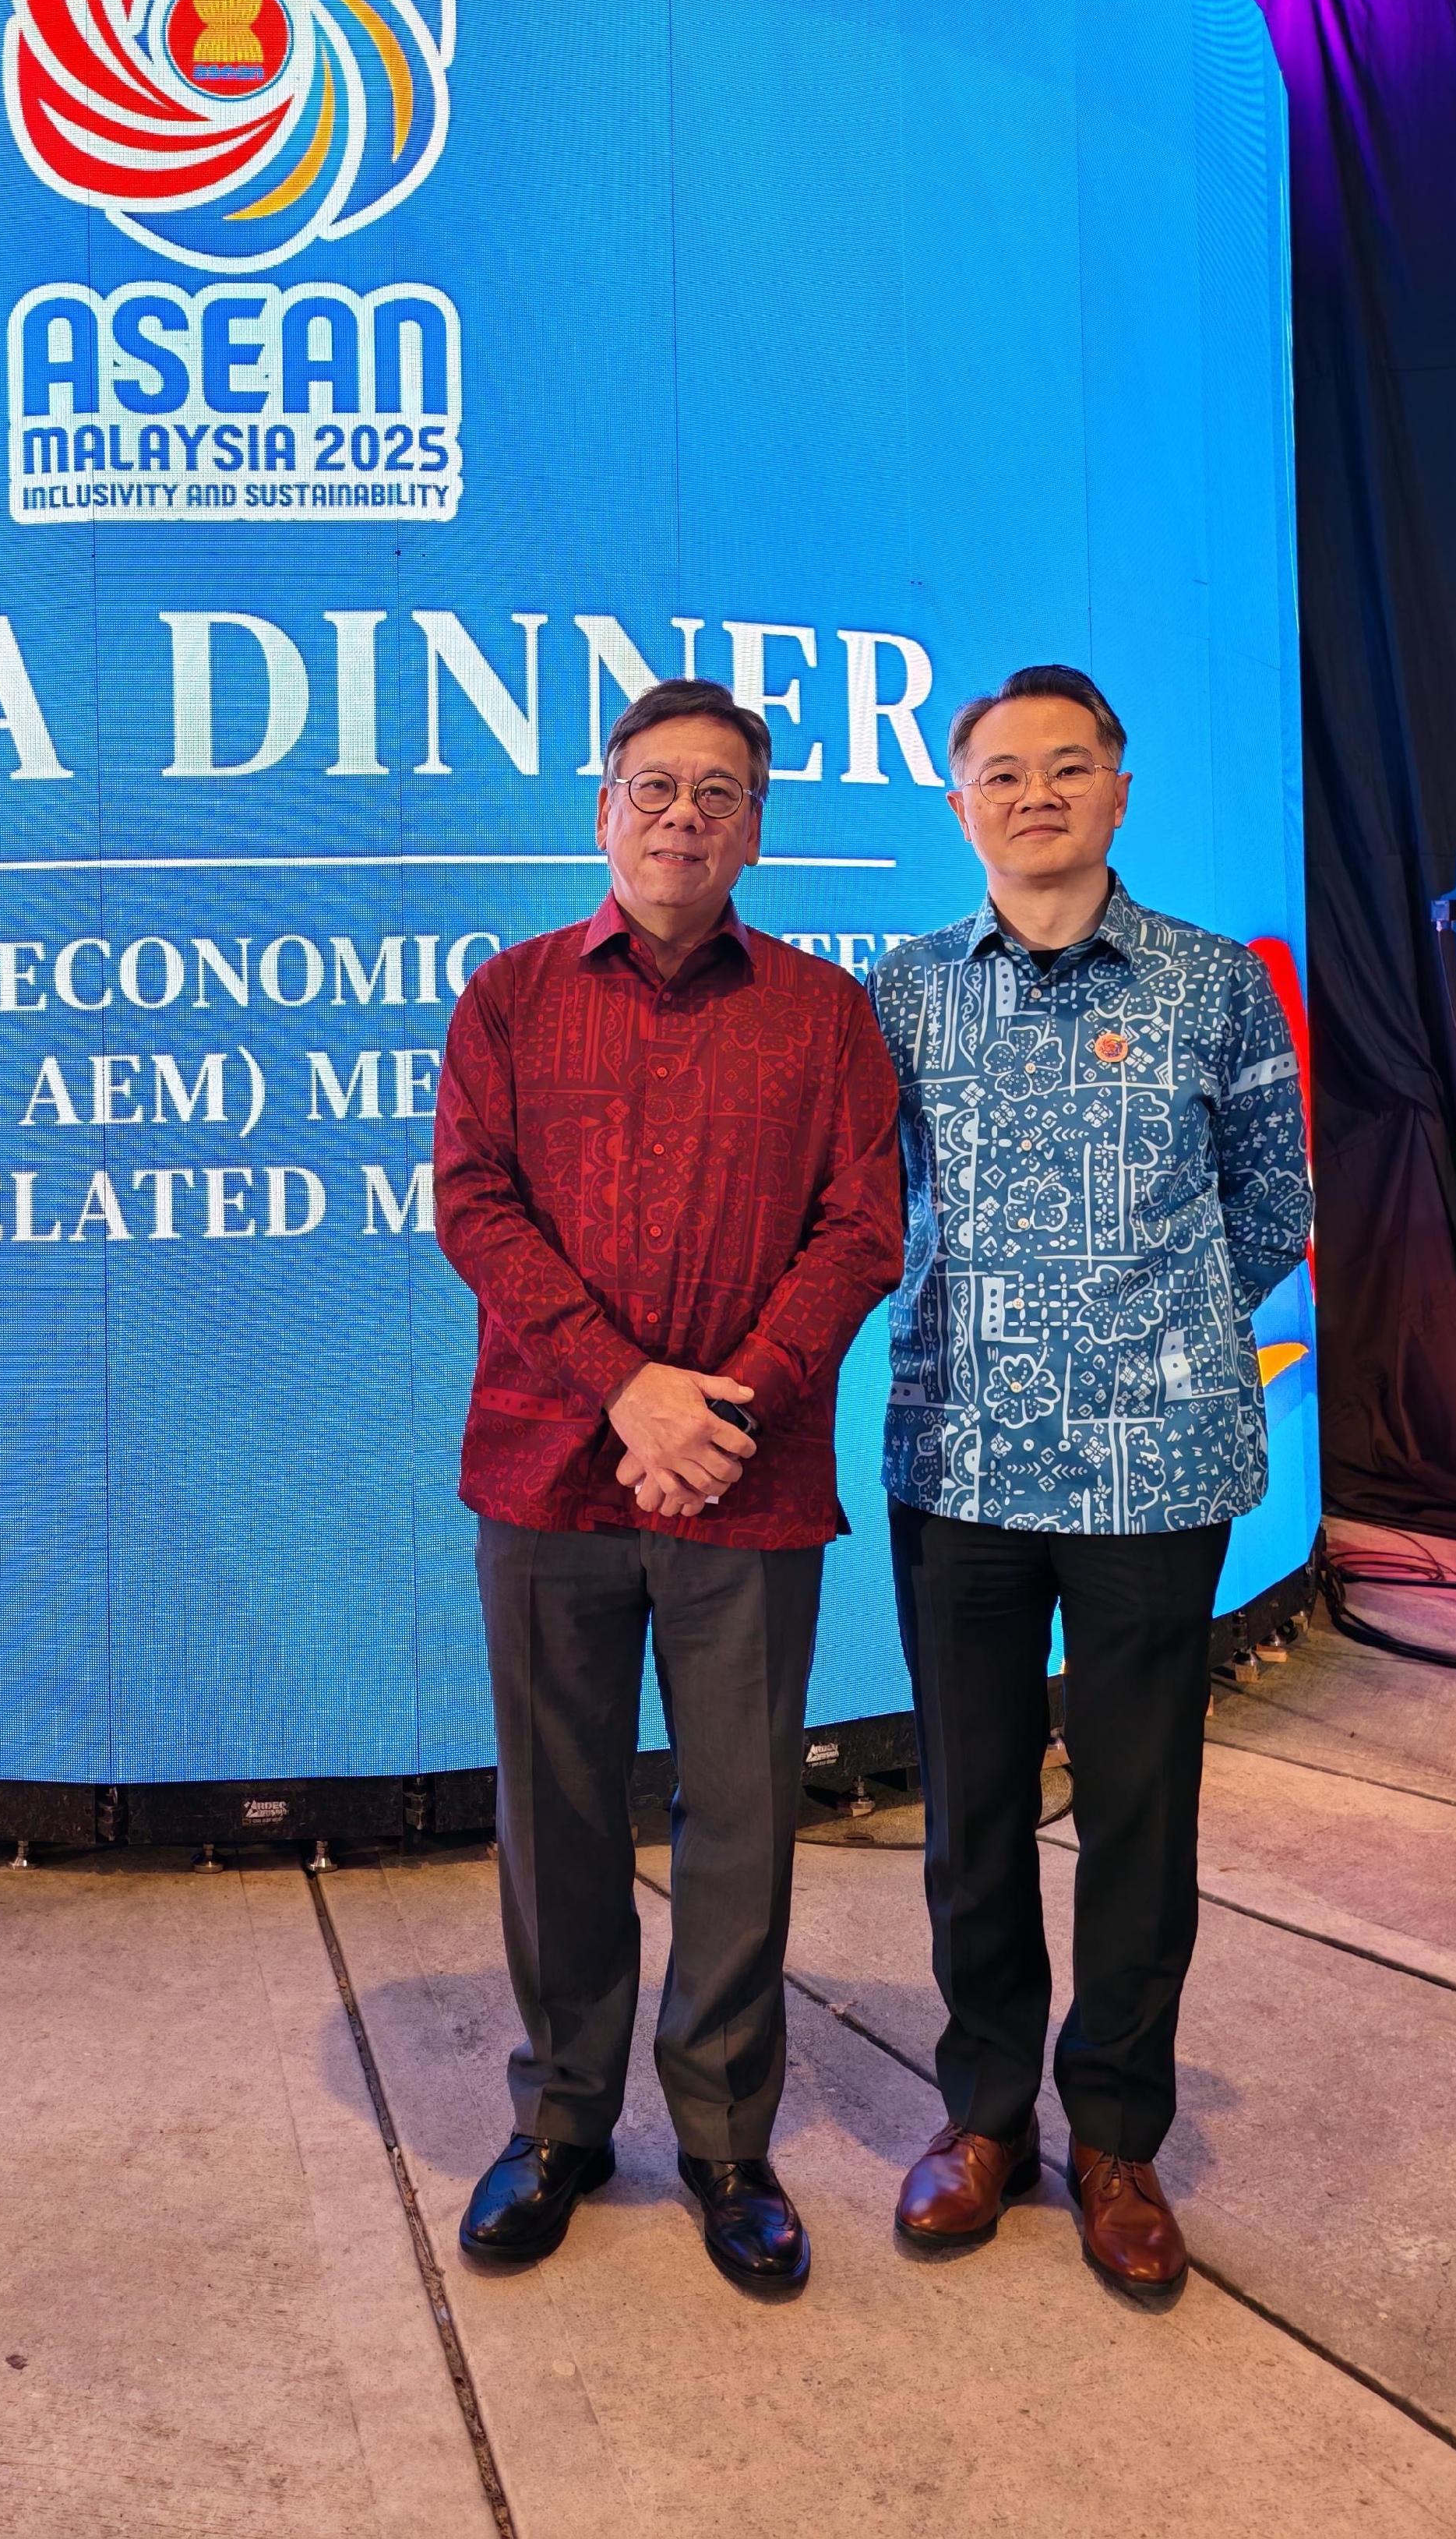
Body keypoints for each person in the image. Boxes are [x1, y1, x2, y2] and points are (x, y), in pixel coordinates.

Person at [432, 676, 902, 2291]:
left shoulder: (827, 1017)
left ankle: (723, 2138)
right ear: (604, 810)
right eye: (655, 785)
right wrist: (626, 1387)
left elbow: (862, 1230)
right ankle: (562, 2119)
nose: (684, 815)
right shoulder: (507, 1000)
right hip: (547, 1471)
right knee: (555, 1812)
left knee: (742, 1821)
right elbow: (476, 1209)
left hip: (746, 1485)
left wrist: (728, 1406)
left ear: (757, 829)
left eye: (720, 791)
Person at [868, 665, 1311, 2295]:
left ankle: (1117, 2134)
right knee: (973, 1809)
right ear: (960, 802)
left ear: (1120, 790)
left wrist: (1160, 1332)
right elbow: (866, 1203)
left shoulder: (1213, 981)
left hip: (1156, 1469)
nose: (1035, 793)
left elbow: (1275, 1201)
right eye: (1002, 771)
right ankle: (985, 2115)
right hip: (960, 1456)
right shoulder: (904, 990)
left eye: (1068, 766)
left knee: (1140, 1812)